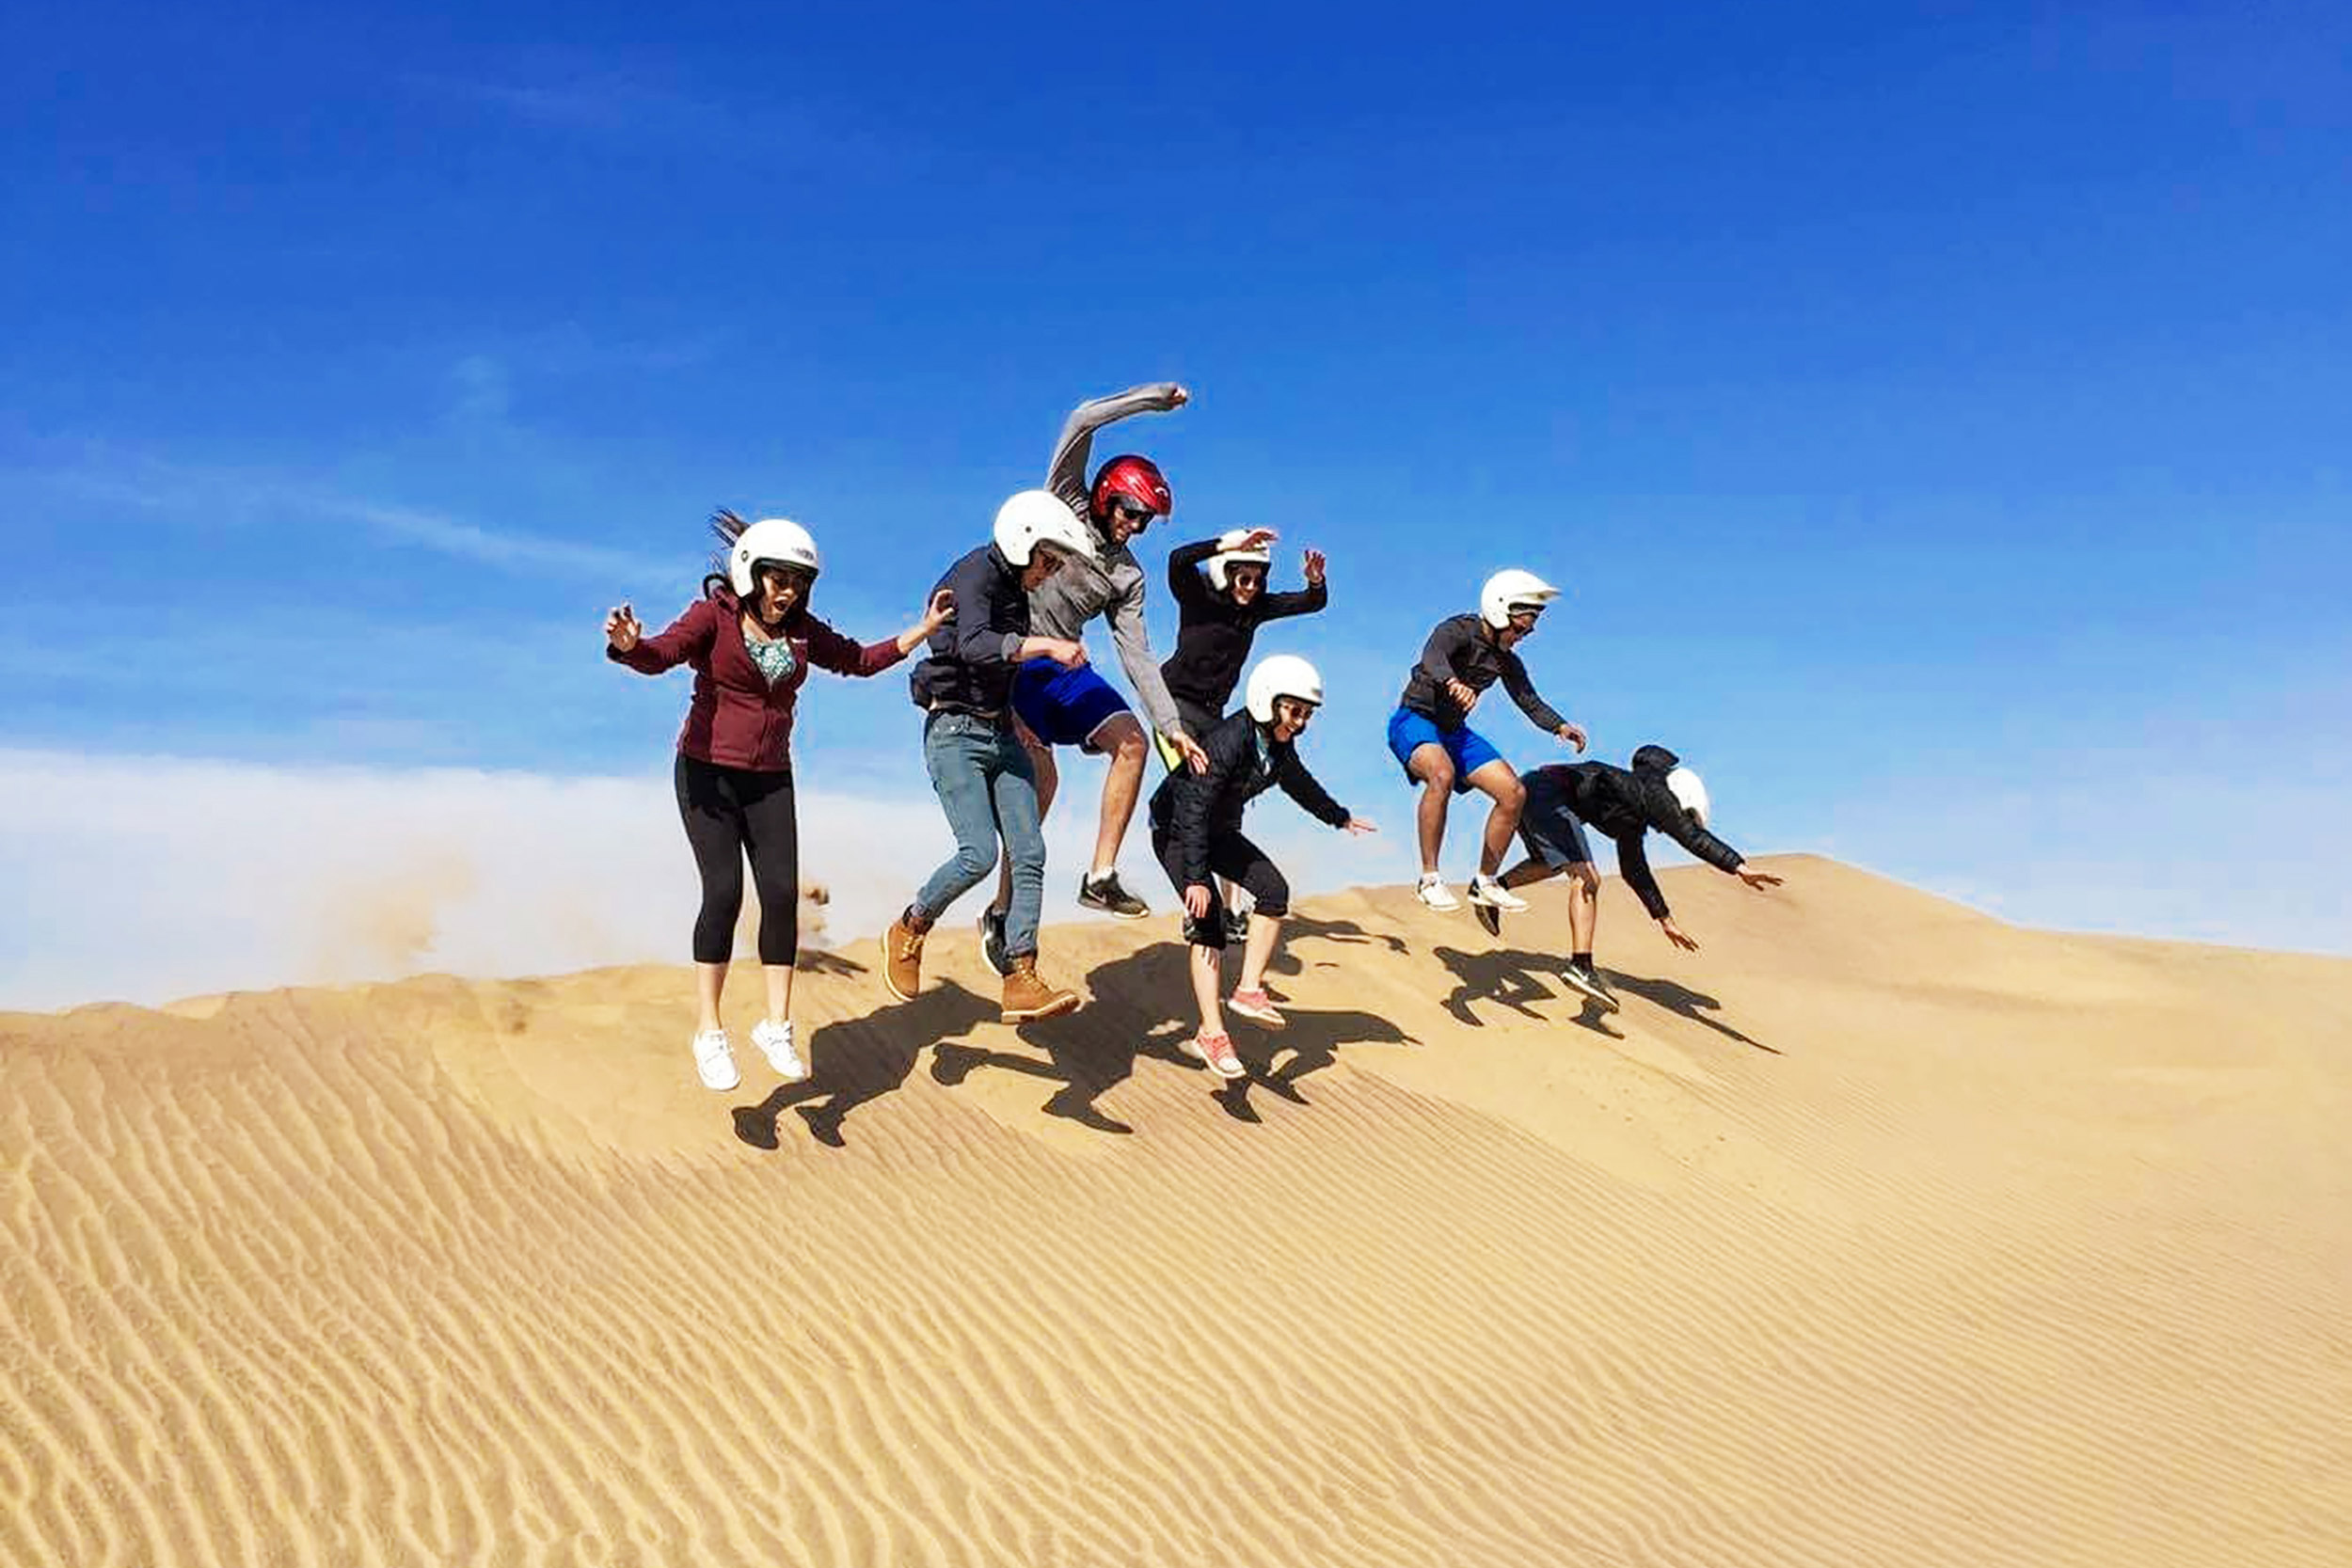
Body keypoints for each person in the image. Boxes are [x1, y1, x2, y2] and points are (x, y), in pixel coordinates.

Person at [605, 512, 951, 1091]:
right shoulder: (712, 618)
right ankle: (710, 1031)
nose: (786, 591)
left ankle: (776, 1024)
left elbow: (857, 660)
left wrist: (920, 630)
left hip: (769, 778)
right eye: (777, 578)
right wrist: (629, 647)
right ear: (751, 573)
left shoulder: (801, 632)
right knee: (723, 893)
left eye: (797, 581)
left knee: (781, 896)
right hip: (706, 775)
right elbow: (661, 654)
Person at [980, 382, 1205, 973]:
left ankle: (1100, 875)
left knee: (1132, 742)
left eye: (1147, 520)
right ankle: (1001, 913)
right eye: (1132, 512)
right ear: (1106, 498)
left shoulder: (1128, 578)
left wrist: (1172, 726)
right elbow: (1081, 418)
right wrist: (1151, 401)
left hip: (1068, 669)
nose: (1137, 526)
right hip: (1018, 661)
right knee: (1042, 785)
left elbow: (1137, 654)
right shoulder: (1065, 504)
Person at [884, 490, 1097, 1024]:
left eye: (1057, 564)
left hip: (1001, 732)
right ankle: (910, 927)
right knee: (978, 853)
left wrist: (1020, 720)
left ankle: (1019, 973)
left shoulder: (1013, 588)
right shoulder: (974, 575)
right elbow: (975, 645)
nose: (1049, 573)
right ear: (1024, 543)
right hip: (954, 733)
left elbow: (998, 666)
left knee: (1029, 852)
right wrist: (1048, 646)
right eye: (1049, 561)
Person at [1148, 655, 1376, 1080]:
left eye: (1307, 714)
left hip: (1213, 831)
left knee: (1273, 891)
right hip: (1176, 830)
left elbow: (1300, 784)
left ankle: (1249, 990)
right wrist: (1196, 878)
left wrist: (1338, 816)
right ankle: (1211, 1035)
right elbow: (1193, 806)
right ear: (1268, 701)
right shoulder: (1229, 741)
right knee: (1209, 920)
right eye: (1295, 711)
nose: (1302, 722)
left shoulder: (1277, 746)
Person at [1475, 744, 1785, 1011]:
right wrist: (1738, 866)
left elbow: (1634, 870)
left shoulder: (1631, 814)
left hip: (1538, 791)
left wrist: (1664, 919)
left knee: (1551, 862)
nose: (1674, 824)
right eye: (1684, 815)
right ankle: (1581, 967)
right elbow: (1691, 837)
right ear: (1682, 796)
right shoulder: (1653, 791)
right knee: (1588, 878)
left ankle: (1492, 889)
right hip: (1547, 794)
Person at [1158, 527, 1330, 936]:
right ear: (1226, 572)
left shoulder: (1254, 608)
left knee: (1228, 797)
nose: (1252, 587)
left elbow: (1311, 602)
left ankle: (1232, 908)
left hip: (1213, 713)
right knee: (1195, 786)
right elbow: (1177, 560)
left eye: (1259, 579)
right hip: (1173, 706)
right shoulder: (1199, 595)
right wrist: (1223, 543)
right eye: (1244, 577)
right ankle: (1194, 902)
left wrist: (1315, 580)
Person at [1389, 569, 1588, 916]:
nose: (1527, 632)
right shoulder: (1457, 630)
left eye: (1531, 626)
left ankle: (1486, 881)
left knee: (1513, 793)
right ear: (1500, 610)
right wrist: (1453, 683)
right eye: (1523, 624)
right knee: (1442, 775)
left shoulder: (1507, 660)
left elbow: (1529, 700)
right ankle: (1430, 879)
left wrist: (1559, 726)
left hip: (1454, 733)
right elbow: (1432, 656)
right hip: (1414, 720)